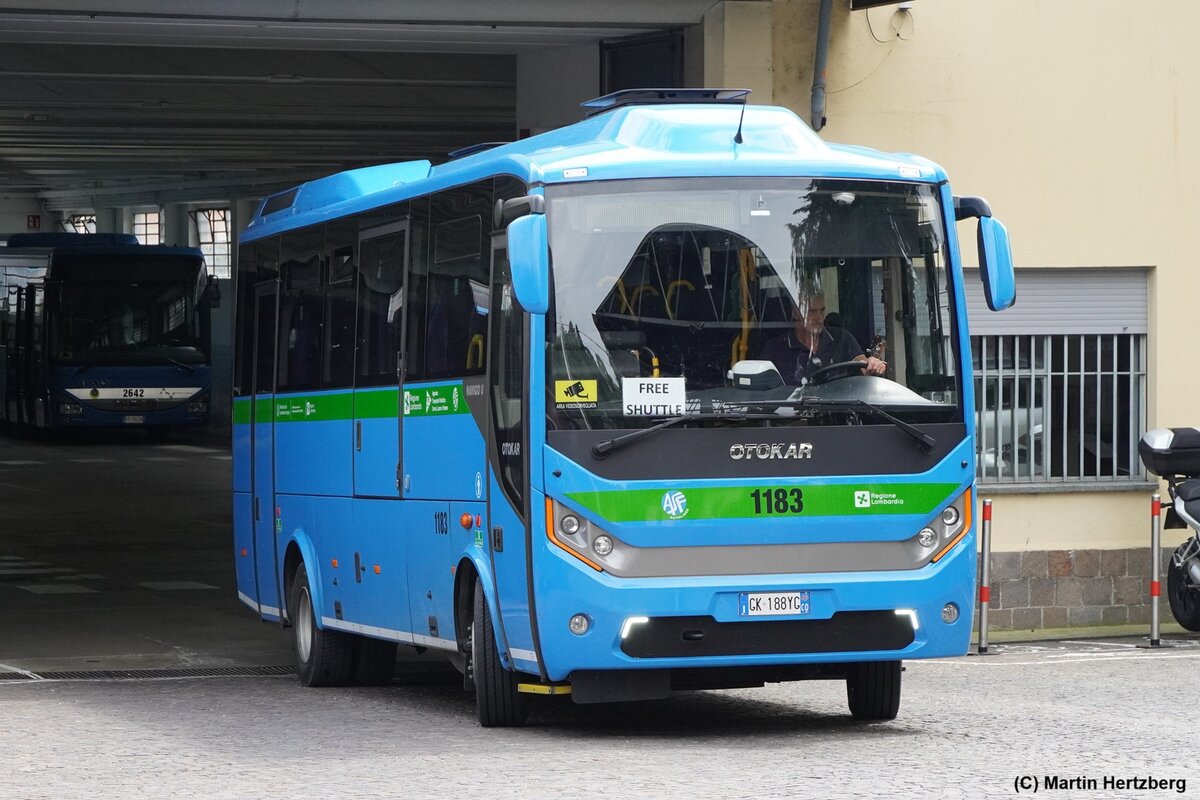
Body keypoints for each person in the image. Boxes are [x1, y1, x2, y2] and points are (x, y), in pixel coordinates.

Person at [759, 286, 886, 385]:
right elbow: (761, 391)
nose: (819, 318)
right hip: (791, 416)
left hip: (837, 414)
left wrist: (872, 364)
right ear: (795, 313)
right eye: (812, 311)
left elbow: (862, 366)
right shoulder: (775, 349)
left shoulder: (841, 337)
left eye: (822, 310)